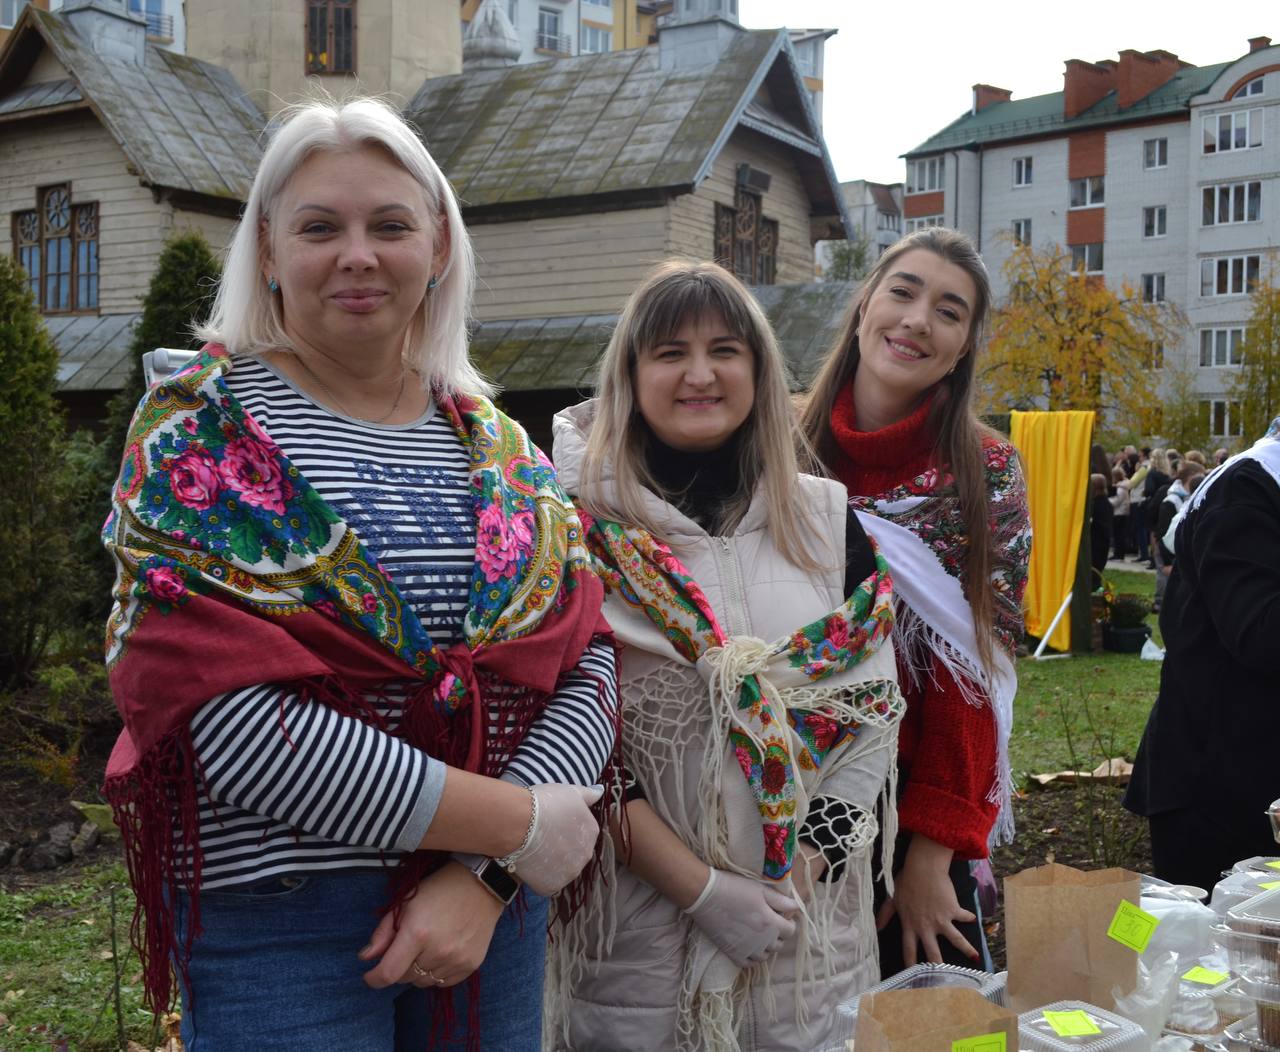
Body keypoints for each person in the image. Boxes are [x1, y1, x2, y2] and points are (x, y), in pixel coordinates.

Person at [101, 98, 617, 1051]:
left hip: (487, 911)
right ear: (265, 249)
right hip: (280, 917)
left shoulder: (496, 445)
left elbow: (582, 657)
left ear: (440, 247)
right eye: (319, 227)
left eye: (390, 225)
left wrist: (484, 878)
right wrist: (517, 825)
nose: (358, 254)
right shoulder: (199, 434)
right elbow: (227, 719)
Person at [547, 261, 905, 1050]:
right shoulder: (571, 532)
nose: (700, 374)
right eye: (669, 352)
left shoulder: (825, 522)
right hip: (633, 961)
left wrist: (789, 885)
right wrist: (703, 892)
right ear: (631, 374)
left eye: (725, 350)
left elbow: (872, 718)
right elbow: (570, 742)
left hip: (809, 954)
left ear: (760, 369)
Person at [797, 227, 1031, 974]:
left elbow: (976, 667)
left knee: (935, 1017)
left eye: (949, 311)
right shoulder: (777, 446)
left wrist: (933, 847)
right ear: (864, 303)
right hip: (782, 791)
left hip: (912, 806)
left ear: (962, 348)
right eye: (902, 291)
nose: (918, 320)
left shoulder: (984, 471)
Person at [1125, 417, 1280, 894]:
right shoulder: (1247, 487)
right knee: (1206, 954)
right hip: (1218, 791)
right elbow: (1261, 633)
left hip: (1248, 776)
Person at [1152, 463, 1205, 612]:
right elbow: (1164, 532)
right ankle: (1161, 604)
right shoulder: (1171, 500)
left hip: (1179, 550)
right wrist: (1167, 561)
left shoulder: (1190, 498)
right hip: (1168, 550)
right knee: (1165, 583)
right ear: (1189, 479)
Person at [1089, 473, 1113, 589]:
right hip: (1102, 543)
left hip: (1096, 543)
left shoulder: (1097, 505)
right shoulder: (1106, 503)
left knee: (1094, 572)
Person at [1110, 466, 1131, 560]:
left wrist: (1108, 501)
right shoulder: (1122, 486)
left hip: (1120, 513)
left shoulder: (1121, 488)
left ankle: (1119, 554)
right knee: (1119, 535)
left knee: (1119, 535)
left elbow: (1117, 501)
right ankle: (1118, 553)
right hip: (1121, 512)